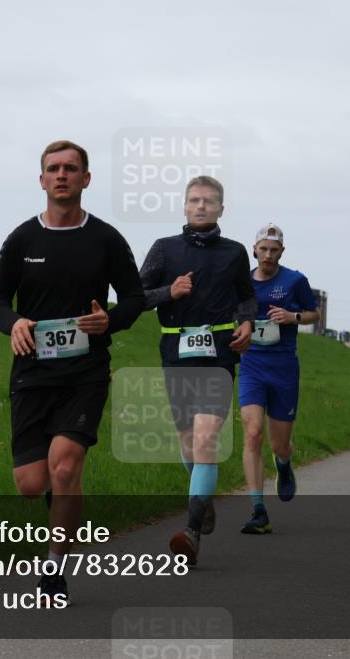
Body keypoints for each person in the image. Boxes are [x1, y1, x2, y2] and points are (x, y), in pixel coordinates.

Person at [0, 140, 145, 602]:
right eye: (53, 169)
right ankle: (64, 501)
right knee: (33, 485)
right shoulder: (22, 240)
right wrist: (12, 322)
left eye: (70, 168)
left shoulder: (107, 239)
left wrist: (109, 320)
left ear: (86, 179)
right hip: (32, 372)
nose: (61, 175)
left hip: (86, 371)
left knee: (65, 465)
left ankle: (54, 569)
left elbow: (135, 298)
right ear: (41, 180)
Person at [139, 175, 254, 564]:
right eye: (194, 200)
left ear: (222, 208)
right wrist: (167, 293)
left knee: (206, 441)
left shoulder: (235, 252)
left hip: (220, 355)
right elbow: (137, 297)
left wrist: (246, 323)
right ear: (184, 207)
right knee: (189, 443)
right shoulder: (164, 249)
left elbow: (247, 297)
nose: (201, 206)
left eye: (209, 201)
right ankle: (202, 500)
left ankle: (191, 530)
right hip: (175, 352)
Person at [237, 223, 318, 534]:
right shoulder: (241, 280)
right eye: (263, 249)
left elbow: (313, 314)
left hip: (284, 367)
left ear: (281, 252)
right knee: (253, 432)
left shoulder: (295, 281)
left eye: (274, 250)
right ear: (254, 249)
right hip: (252, 365)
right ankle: (258, 509)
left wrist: (292, 317)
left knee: (279, 444)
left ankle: (283, 464)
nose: (267, 255)